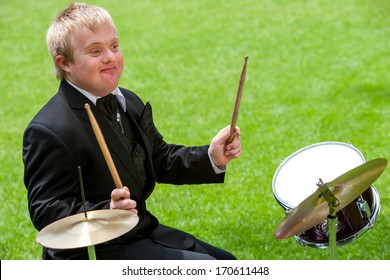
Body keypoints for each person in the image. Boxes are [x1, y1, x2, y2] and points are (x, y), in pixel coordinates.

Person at [22, 2, 242, 260]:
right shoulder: (49, 129)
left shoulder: (127, 101)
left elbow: (159, 158)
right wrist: (106, 211)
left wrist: (211, 157)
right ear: (64, 62)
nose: (110, 57)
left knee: (227, 262)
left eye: (114, 46)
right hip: (94, 252)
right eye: (95, 51)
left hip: (140, 233)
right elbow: (45, 209)